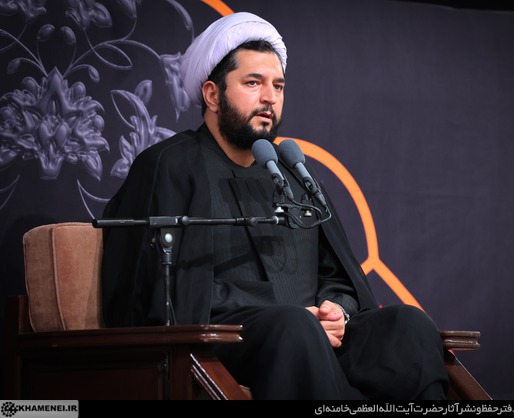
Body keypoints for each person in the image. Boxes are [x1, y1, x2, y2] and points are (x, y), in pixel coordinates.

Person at [100, 11, 448, 400]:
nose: (270, 97)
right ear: (212, 95)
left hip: (312, 335)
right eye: (253, 83)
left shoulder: (293, 172)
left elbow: (336, 274)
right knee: (293, 328)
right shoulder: (169, 165)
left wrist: (335, 310)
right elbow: (156, 289)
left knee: (408, 326)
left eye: (278, 86)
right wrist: (290, 313)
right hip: (223, 341)